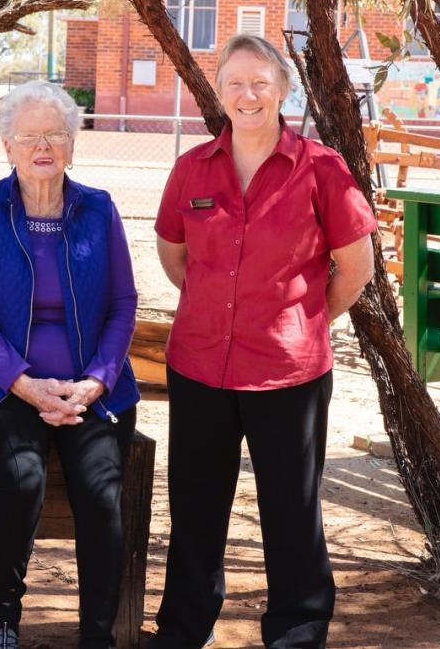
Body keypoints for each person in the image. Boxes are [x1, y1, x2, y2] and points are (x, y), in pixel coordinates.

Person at [148, 35, 376, 649]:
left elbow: (357, 267)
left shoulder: (321, 168)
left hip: (288, 373)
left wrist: (303, 319)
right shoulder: (192, 167)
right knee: (195, 508)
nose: (247, 95)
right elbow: (174, 256)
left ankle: (296, 632)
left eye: (260, 82)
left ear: (282, 90)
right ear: (219, 92)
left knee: (291, 512)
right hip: (199, 365)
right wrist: (217, 306)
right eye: (234, 83)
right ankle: (183, 629)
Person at [0, 81, 140, 649]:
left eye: (55, 134)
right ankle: (1, 621)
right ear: (7, 146)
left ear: (72, 145)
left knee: (101, 491)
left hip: (91, 392)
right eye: (29, 136)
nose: (43, 146)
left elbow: (123, 302)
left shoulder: (98, 209)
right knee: (22, 478)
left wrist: (95, 381)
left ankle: (97, 634)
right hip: (4, 388)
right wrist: (26, 384)